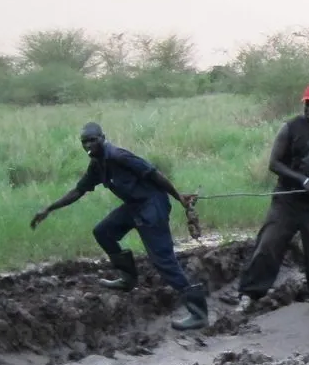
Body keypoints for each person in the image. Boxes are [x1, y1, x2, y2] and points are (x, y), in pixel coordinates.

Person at [30, 122, 208, 331]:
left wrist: (179, 197)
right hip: (134, 206)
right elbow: (79, 191)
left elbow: (154, 175)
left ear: (102, 138)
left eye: (92, 140)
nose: (88, 144)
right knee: (103, 232)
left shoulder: (119, 156)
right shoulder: (97, 164)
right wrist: (49, 208)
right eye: (84, 141)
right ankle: (128, 278)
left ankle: (198, 312)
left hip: (152, 207)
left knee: (163, 260)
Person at [237, 84, 309, 311]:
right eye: (307, 104)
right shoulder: (290, 128)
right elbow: (274, 164)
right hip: (288, 199)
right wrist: (302, 180)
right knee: (269, 243)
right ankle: (250, 294)